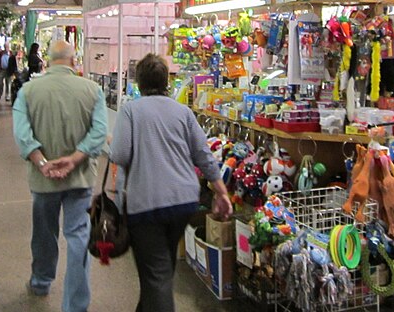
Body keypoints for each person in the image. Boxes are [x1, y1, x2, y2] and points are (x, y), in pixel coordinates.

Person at [109, 53, 232, 312]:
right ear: (166, 81)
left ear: (139, 82)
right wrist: (221, 192)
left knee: (156, 274)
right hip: (184, 201)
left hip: (146, 203)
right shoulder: (183, 112)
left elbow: (119, 154)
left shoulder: (130, 110)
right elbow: (204, 155)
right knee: (160, 270)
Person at [12, 41, 107, 311]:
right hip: (80, 179)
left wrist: (42, 162)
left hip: (43, 181)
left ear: (47, 61)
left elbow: (21, 133)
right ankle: (75, 305)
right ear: (74, 61)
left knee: (44, 232)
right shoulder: (93, 90)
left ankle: (41, 281)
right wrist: (77, 157)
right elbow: (99, 131)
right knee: (78, 236)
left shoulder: (28, 91)